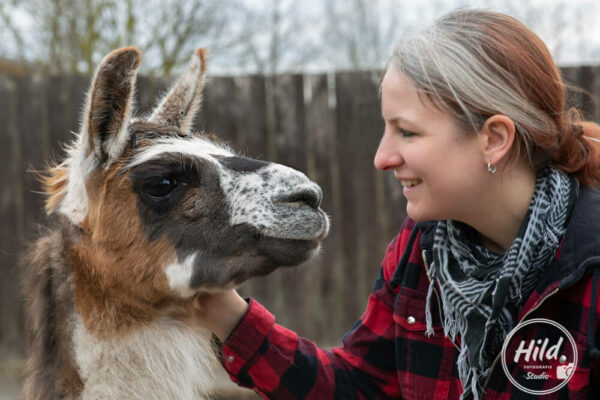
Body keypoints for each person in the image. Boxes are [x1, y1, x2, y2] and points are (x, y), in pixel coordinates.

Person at [193, 9, 600, 399]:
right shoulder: (422, 251)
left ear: (493, 139)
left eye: (406, 132)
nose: (381, 157)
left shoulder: (589, 268)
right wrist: (224, 311)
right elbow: (359, 388)